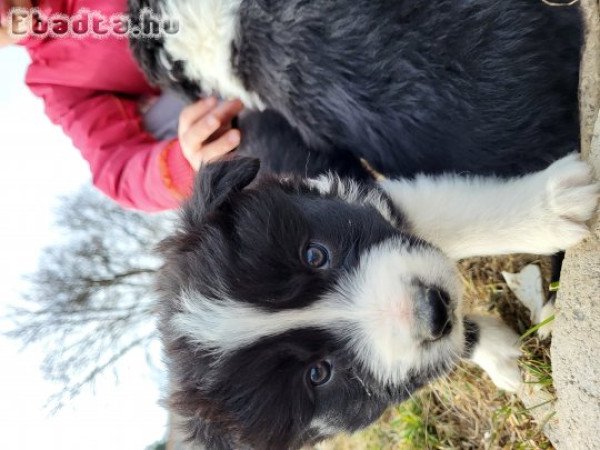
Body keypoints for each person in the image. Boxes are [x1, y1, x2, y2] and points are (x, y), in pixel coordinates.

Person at [0, 0, 243, 211]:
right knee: (175, 133)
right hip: (224, 74)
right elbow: (116, 163)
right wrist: (183, 160)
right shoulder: (55, 80)